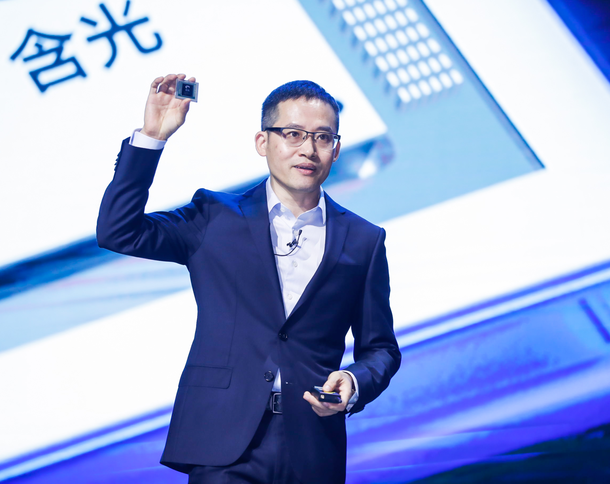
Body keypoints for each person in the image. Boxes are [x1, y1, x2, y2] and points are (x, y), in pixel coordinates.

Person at [97, 73, 401, 484]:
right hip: (223, 444)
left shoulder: (364, 239)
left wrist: (352, 380)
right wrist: (152, 138)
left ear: (336, 149)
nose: (308, 149)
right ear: (263, 142)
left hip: (312, 446)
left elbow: (380, 348)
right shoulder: (214, 217)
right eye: (293, 134)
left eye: (322, 137)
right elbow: (119, 231)